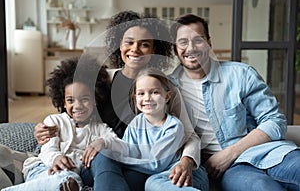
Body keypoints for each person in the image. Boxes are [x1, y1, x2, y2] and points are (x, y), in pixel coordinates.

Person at [34, 11, 208, 190]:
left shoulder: (165, 88)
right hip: (103, 158)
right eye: (129, 42)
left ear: (155, 50)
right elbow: (73, 113)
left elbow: (190, 135)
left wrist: (187, 161)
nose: (135, 49)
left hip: (144, 165)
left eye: (145, 44)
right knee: (102, 157)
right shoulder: (102, 80)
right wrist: (44, 129)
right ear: (119, 45)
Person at [167, 13, 300, 190]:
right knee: (261, 187)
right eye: (183, 42)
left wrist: (229, 154)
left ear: (209, 42)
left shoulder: (241, 74)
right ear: (175, 48)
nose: (191, 48)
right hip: (233, 171)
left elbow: (275, 121)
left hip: (270, 152)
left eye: (198, 40)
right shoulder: (168, 88)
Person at [2, 57, 122, 191]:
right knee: (68, 181)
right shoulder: (55, 121)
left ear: (95, 100)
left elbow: (114, 140)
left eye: (84, 99)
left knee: (72, 182)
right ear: (63, 102)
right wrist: (56, 158)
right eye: (71, 100)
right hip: (44, 168)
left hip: (74, 175)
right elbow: (48, 148)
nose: (77, 106)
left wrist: (103, 142)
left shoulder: (100, 128)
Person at [90, 68, 201, 190]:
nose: (147, 98)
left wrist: (117, 159)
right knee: (104, 157)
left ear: (167, 96)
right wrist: (106, 143)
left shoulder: (174, 127)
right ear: (135, 98)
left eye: (155, 92)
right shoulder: (136, 122)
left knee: (152, 183)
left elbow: (155, 165)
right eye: (141, 93)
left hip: (172, 174)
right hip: (148, 172)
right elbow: (128, 149)